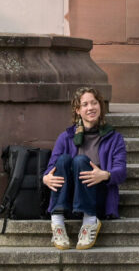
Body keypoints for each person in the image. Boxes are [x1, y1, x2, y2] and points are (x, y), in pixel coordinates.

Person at [40, 86, 126, 250]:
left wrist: (105, 175)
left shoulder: (114, 138)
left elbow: (121, 171)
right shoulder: (66, 137)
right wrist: (46, 178)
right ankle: (57, 223)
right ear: (78, 110)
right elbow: (51, 167)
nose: (91, 108)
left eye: (94, 103)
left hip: (96, 197)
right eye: (85, 104)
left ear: (100, 106)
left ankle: (90, 222)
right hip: (70, 201)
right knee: (65, 159)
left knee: (80, 161)